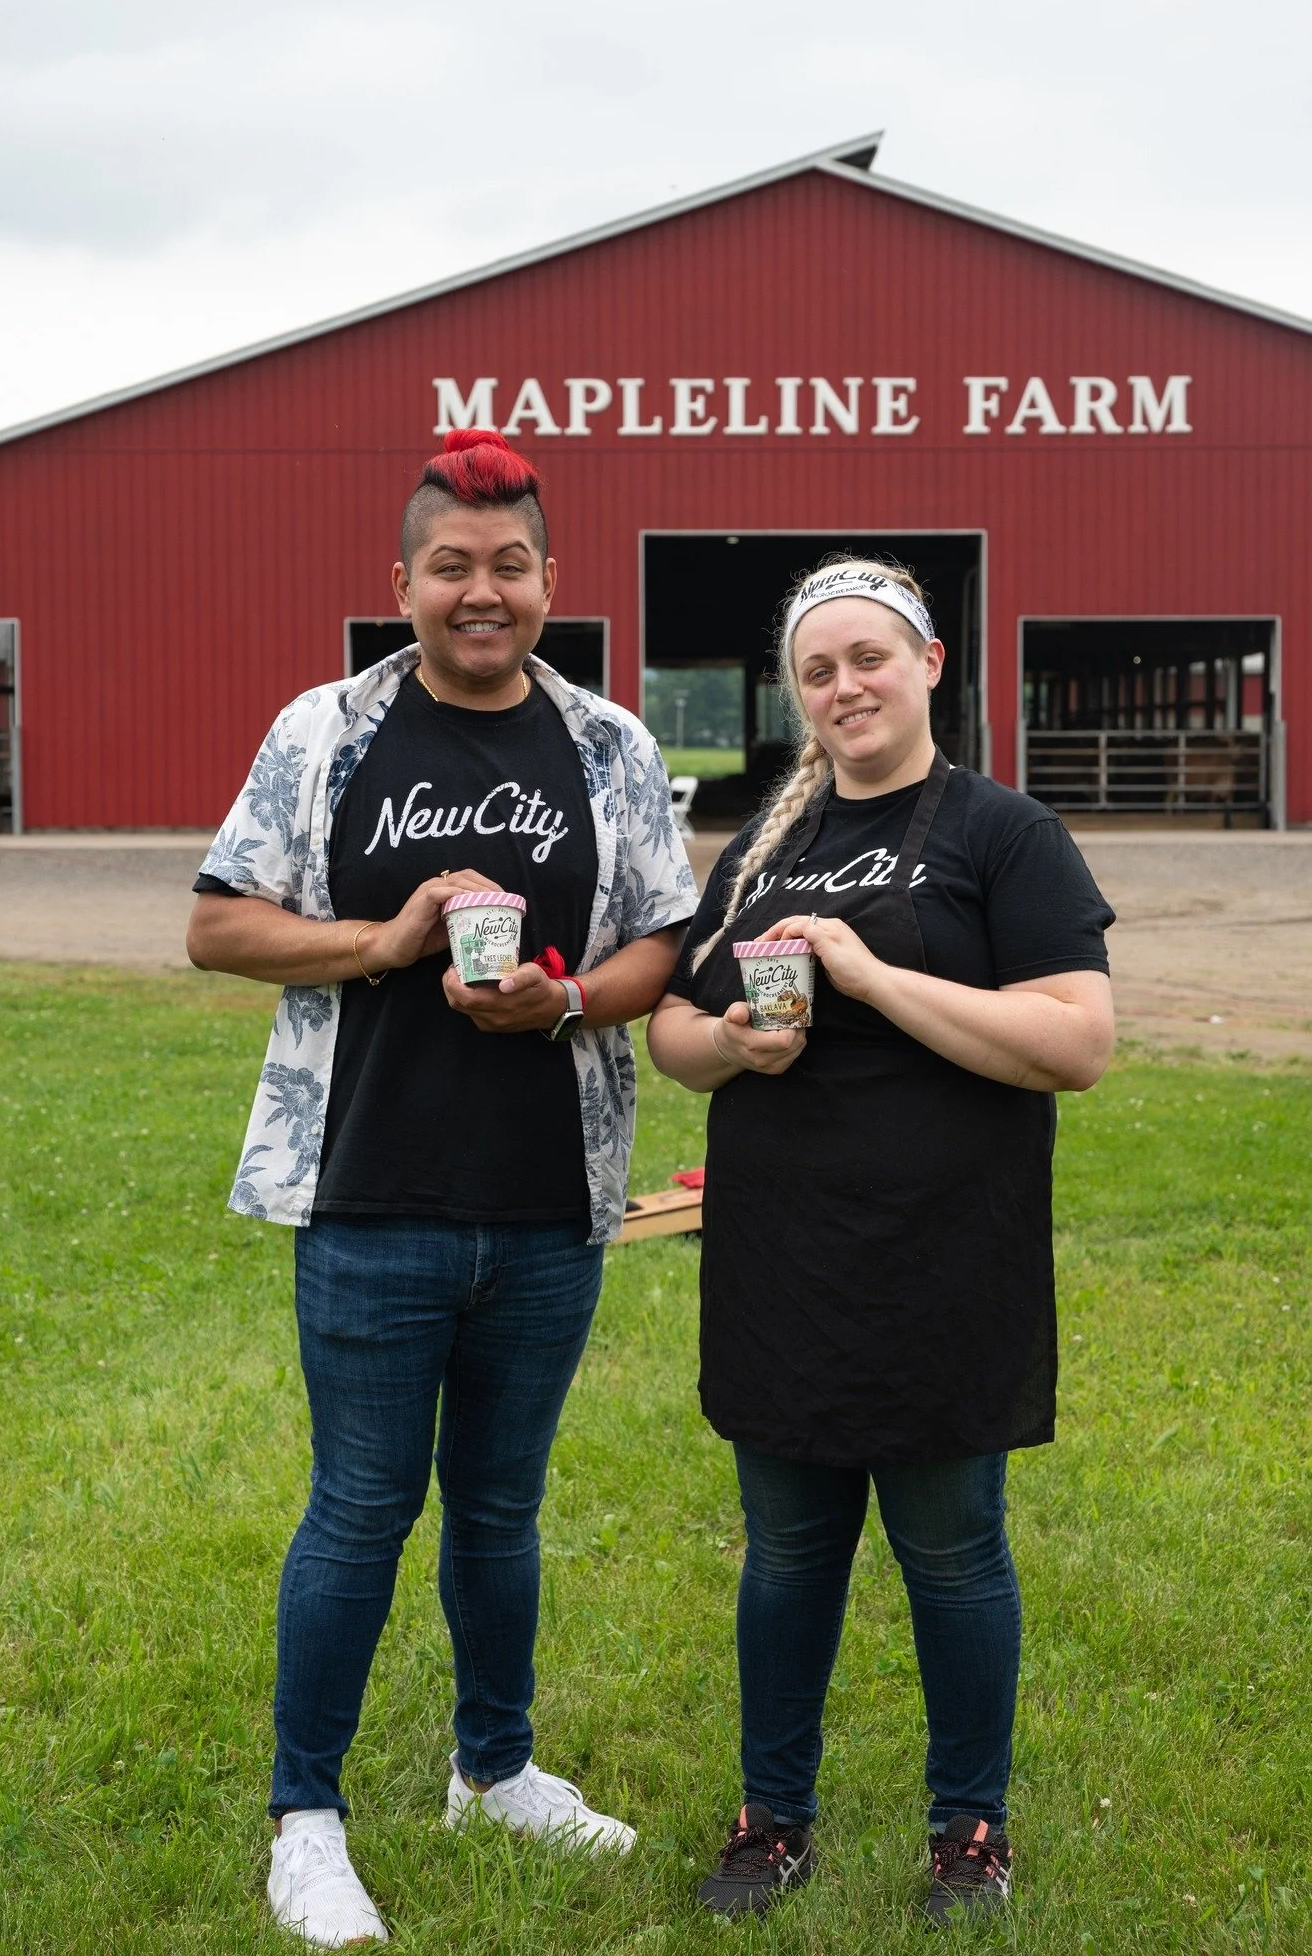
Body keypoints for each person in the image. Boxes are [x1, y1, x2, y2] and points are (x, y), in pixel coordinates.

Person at [187, 429, 696, 1948]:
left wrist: (568, 1005)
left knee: (500, 1507)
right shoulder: (325, 731)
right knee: (358, 1509)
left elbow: (664, 940)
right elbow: (220, 926)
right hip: (369, 1193)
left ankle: (496, 1767)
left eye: (512, 566)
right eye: (453, 567)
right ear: (400, 580)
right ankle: (307, 1818)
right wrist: (388, 938)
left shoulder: (608, 743)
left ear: (551, 580)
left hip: (548, 1201)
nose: (484, 592)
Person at [646, 557, 1114, 1926]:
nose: (843, 686)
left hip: (941, 1255)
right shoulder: (759, 844)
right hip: (783, 1256)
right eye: (816, 670)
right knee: (786, 1554)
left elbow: (1076, 1045)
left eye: (866, 658)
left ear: (927, 661)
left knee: (951, 1549)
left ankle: (969, 1829)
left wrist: (863, 975)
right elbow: (671, 1034)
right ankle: (769, 1818)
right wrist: (733, 1041)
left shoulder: (1002, 834)